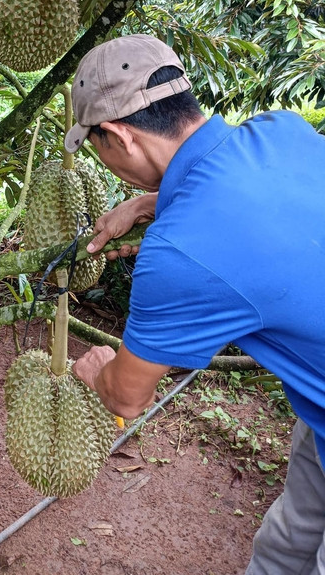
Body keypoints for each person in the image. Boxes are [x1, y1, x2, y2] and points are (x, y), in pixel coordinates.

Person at [67, 33, 325, 575]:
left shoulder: (178, 254)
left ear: (118, 135)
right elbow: (253, 209)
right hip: (317, 402)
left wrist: (93, 371)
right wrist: (148, 202)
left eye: (95, 144)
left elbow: (127, 398)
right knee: (287, 540)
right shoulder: (282, 130)